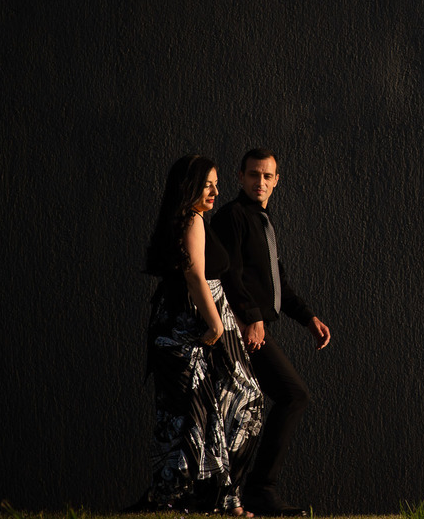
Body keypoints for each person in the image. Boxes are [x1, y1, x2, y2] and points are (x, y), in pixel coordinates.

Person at [141, 155, 264, 515]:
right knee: (239, 401)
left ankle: (204, 496)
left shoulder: (182, 219)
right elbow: (196, 277)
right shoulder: (192, 220)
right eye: (207, 184)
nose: (215, 190)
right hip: (195, 324)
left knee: (198, 412)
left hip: (183, 322)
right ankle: (213, 496)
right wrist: (216, 324)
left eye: (215, 183)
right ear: (189, 187)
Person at [214, 148, 331, 516]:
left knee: (250, 408)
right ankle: (254, 491)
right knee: (289, 395)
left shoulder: (262, 221)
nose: (259, 182)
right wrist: (252, 317)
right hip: (237, 330)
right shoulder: (232, 216)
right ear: (240, 176)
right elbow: (227, 274)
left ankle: (245, 493)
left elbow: (277, 283)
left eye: (267, 176)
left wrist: (308, 317)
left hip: (253, 328)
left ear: (276, 180)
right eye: (253, 175)